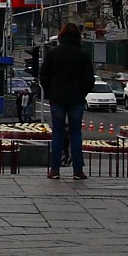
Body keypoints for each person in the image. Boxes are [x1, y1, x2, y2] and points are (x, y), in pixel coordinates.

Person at [41, 22, 94, 180]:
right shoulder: (83, 54)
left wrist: (50, 92)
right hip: (76, 98)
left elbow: (43, 75)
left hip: (57, 98)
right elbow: (89, 79)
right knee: (75, 134)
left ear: (61, 36)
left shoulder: (53, 53)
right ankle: (77, 170)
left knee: (57, 134)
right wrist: (82, 93)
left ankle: (55, 169)